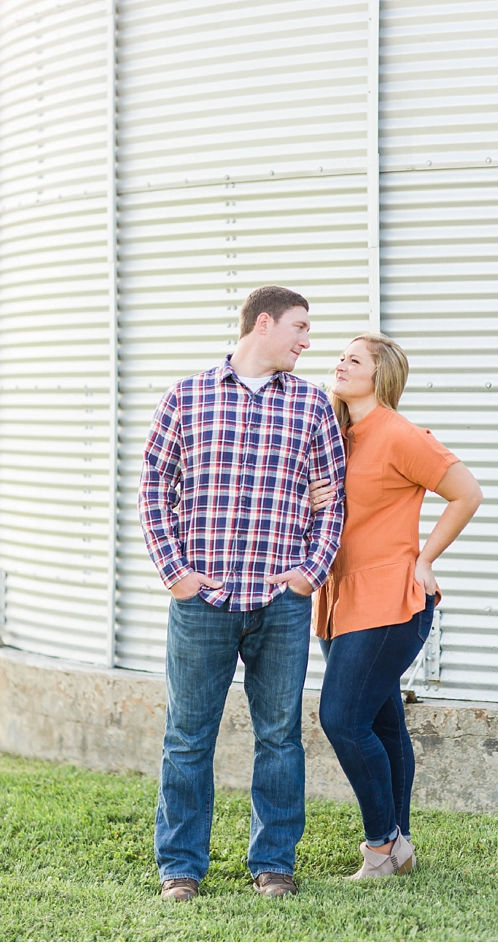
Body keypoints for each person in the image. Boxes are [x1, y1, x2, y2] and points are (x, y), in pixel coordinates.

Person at [138, 285, 347, 901]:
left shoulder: (311, 407)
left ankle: (274, 863)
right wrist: (175, 573)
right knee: (187, 736)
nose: (308, 342)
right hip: (202, 601)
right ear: (264, 324)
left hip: (282, 602)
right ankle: (180, 868)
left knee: (280, 735)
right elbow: (154, 489)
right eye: (300, 328)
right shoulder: (187, 396)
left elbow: (331, 502)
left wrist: (311, 572)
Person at [307, 333, 482, 878]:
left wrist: (425, 559)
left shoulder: (400, 435)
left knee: (340, 716)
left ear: (380, 375)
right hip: (339, 596)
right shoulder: (337, 436)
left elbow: (467, 492)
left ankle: (381, 846)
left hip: (390, 600)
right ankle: (398, 846)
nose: (340, 364)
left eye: (353, 359)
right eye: (339, 356)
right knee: (383, 725)